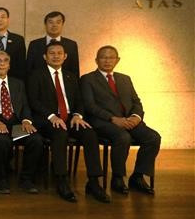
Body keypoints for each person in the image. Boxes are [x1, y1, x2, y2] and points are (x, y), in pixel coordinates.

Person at [26, 41, 109, 203]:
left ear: (65, 56)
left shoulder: (71, 76)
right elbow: (33, 101)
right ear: (45, 57)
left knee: (90, 134)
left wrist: (78, 115)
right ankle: (62, 180)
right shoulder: (36, 75)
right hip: (47, 119)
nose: (56, 56)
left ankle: (93, 182)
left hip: (71, 118)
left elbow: (80, 100)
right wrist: (52, 116)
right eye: (52, 53)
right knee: (60, 134)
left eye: (59, 53)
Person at [80, 46, 160, 195]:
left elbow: (136, 101)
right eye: (103, 57)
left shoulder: (125, 79)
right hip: (103, 121)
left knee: (153, 138)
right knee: (123, 137)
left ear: (117, 60)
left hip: (129, 120)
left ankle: (137, 176)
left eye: (111, 57)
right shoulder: (87, 79)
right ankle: (117, 178)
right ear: (96, 60)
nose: (107, 60)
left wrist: (136, 117)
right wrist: (113, 119)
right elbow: (89, 106)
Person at [0, 51, 43, 195]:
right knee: (2, 141)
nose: (2, 63)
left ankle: (26, 179)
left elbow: (25, 105)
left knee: (36, 140)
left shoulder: (18, 83)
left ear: (9, 65)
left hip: (16, 123)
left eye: (5, 60)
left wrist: (26, 120)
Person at [26, 11, 80, 78]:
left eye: (58, 22)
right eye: (51, 22)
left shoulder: (71, 45)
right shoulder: (34, 44)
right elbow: (29, 70)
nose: (54, 25)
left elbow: (75, 71)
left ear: (62, 24)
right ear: (45, 24)